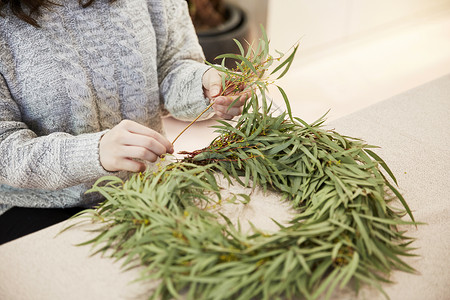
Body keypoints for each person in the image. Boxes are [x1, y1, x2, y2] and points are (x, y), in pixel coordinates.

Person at [0, 0, 247, 244]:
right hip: (37, 205)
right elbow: (4, 147)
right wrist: (93, 153)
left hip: (146, 186)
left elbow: (173, 65)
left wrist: (202, 87)